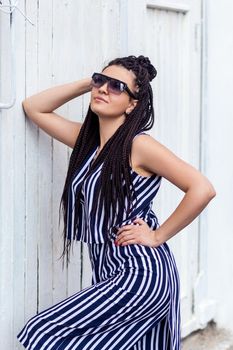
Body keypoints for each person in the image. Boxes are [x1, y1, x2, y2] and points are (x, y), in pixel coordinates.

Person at [17, 55, 216, 350]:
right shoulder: (89, 144)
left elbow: (202, 188)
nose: (104, 89)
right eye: (101, 81)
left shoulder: (139, 145)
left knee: (44, 332)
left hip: (140, 273)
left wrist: (157, 235)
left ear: (133, 104)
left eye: (117, 87)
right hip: (113, 271)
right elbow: (34, 107)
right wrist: (90, 83)